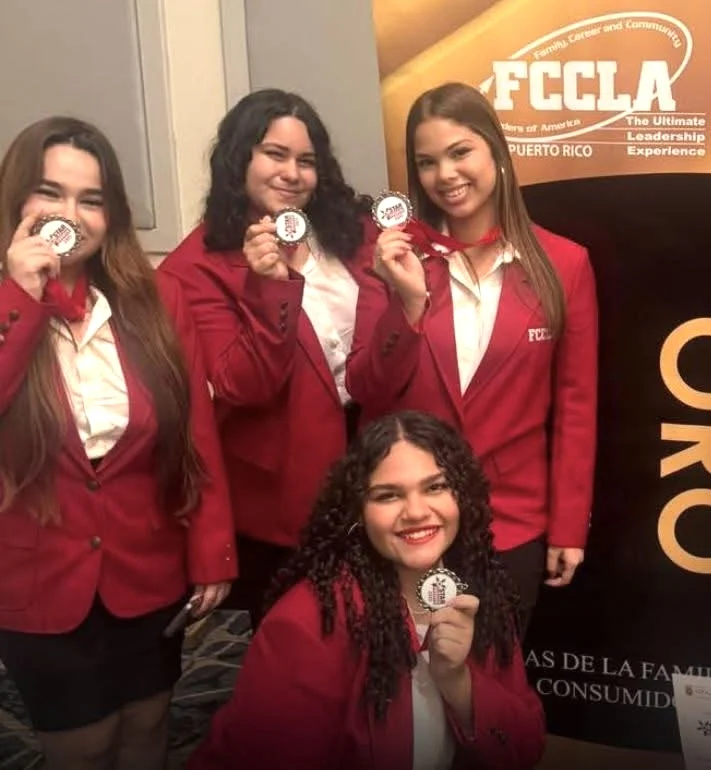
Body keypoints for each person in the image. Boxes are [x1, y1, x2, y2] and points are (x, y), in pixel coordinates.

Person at [0, 117, 235, 770]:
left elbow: (195, 433)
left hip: (148, 566)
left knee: (147, 731)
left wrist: (212, 550)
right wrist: (20, 296)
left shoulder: (157, 300)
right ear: (18, 198)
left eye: (92, 200)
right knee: (82, 748)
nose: (70, 215)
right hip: (39, 576)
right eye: (51, 192)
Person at [346, 82, 598, 629]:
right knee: (398, 671)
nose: (446, 175)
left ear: (496, 153)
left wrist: (568, 526)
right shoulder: (391, 258)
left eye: (460, 152)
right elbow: (367, 389)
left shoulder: (565, 264)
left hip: (510, 521)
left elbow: (576, 408)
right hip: (407, 520)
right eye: (427, 162)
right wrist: (408, 306)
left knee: (495, 672)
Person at [187, 410, 545, 770]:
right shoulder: (309, 623)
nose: (416, 511)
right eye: (388, 496)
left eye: (435, 487)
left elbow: (525, 749)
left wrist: (459, 682)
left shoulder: (480, 593)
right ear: (359, 512)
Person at [158, 88, 375, 629]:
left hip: (373, 460)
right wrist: (269, 288)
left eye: (306, 161)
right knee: (303, 639)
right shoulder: (194, 268)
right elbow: (243, 384)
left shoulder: (344, 235)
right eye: (275, 155)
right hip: (286, 493)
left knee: (377, 632)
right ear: (240, 160)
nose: (292, 173)